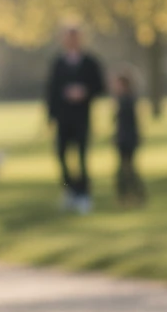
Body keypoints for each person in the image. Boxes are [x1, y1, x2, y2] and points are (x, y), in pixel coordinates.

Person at [45, 23, 105, 213]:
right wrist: (51, 116)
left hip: (82, 117)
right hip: (63, 118)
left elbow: (100, 87)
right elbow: (51, 90)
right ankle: (69, 191)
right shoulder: (58, 62)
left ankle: (84, 195)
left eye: (74, 37)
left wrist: (84, 92)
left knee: (81, 157)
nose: (71, 40)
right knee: (61, 155)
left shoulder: (90, 62)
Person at [112, 70, 145, 206]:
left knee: (127, 170)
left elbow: (130, 124)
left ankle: (131, 195)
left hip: (127, 140)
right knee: (126, 169)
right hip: (124, 139)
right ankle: (129, 196)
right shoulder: (124, 100)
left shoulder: (127, 101)